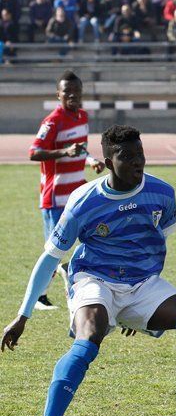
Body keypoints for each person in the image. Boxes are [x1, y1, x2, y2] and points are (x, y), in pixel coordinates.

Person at [2, 124, 176, 416]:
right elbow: (49, 260)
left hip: (141, 283)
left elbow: (155, 242)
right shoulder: (83, 202)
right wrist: (23, 315)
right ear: (107, 159)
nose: (138, 163)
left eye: (140, 154)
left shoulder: (163, 193)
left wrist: (140, 310)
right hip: (94, 279)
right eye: (127, 157)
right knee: (90, 337)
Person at [28, 72, 104, 310]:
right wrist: (63, 152)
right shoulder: (52, 121)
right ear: (58, 94)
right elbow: (33, 153)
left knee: (92, 239)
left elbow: (79, 148)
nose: (72, 95)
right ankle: (40, 298)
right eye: (67, 91)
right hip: (56, 196)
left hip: (78, 192)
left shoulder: (82, 116)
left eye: (76, 90)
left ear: (81, 92)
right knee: (53, 249)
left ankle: (74, 276)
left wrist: (91, 159)